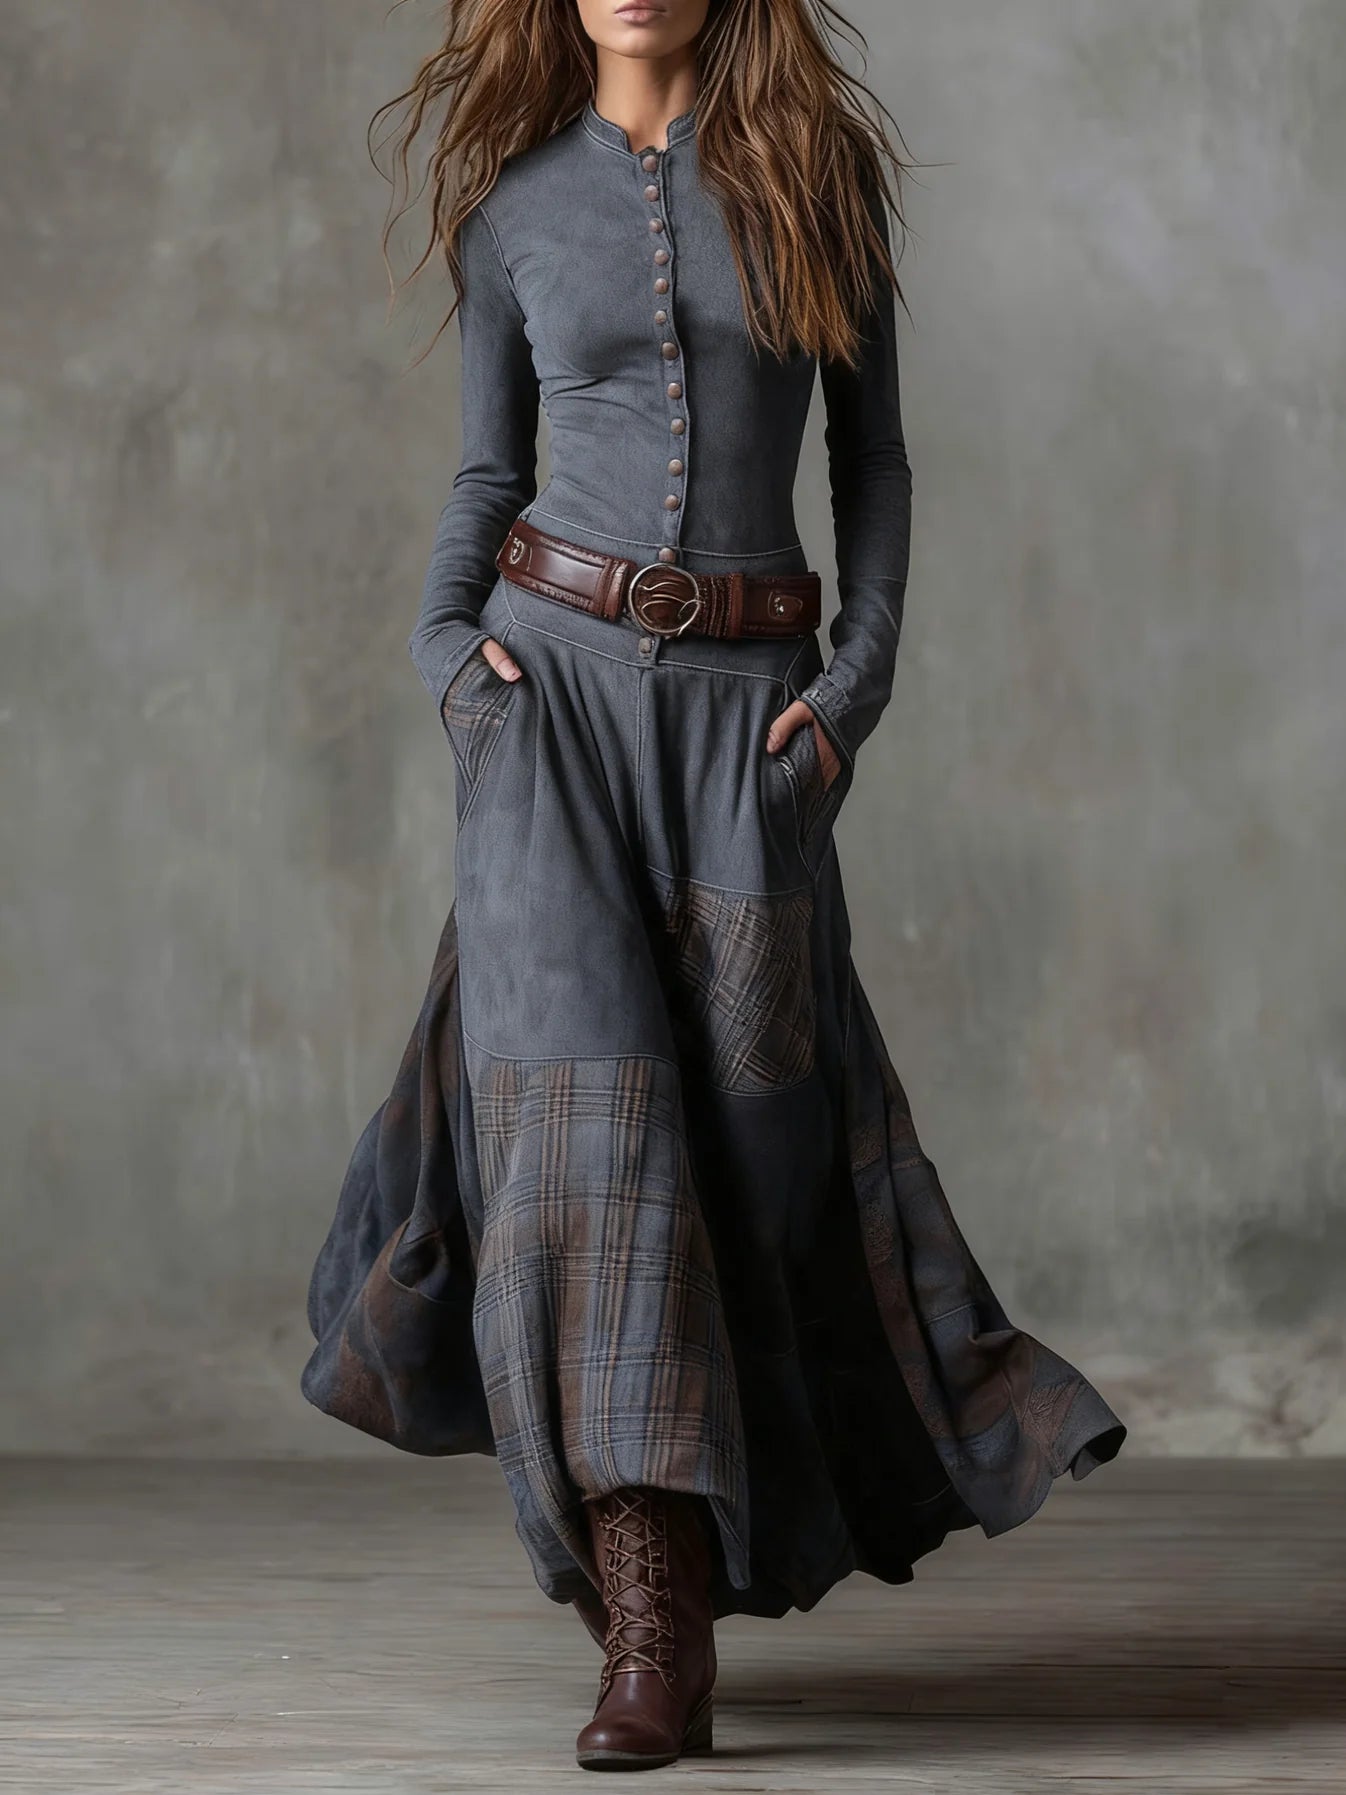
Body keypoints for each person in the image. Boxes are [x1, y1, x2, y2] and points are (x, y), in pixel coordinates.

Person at [301, 0, 1126, 1772]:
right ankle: (650, 1625)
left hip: (752, 729)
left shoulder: (818, 179)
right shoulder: (513, 205)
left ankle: (681, 1546)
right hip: (547, 709)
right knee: (584, 1146)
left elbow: (871, 460)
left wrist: (851, 696)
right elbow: (486, 473)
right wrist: (449, 658)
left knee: (750, 1161)